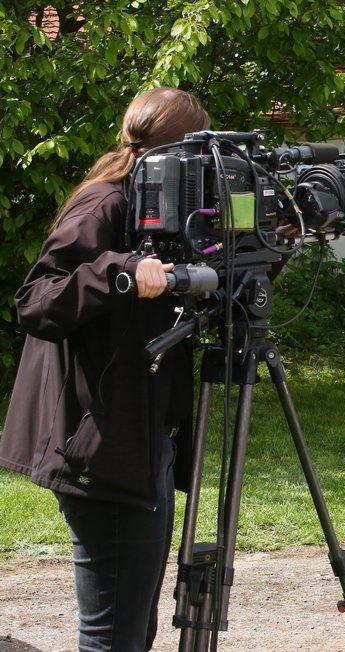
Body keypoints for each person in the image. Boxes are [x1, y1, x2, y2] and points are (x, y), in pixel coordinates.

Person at [0, 87, 211, 651]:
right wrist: (118, 269)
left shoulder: (171, 208)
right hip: (100, 445)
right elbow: (36, 301)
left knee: (133, 627)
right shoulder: (105, 203)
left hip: (144, 442)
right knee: (113, 636)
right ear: (177, 151)